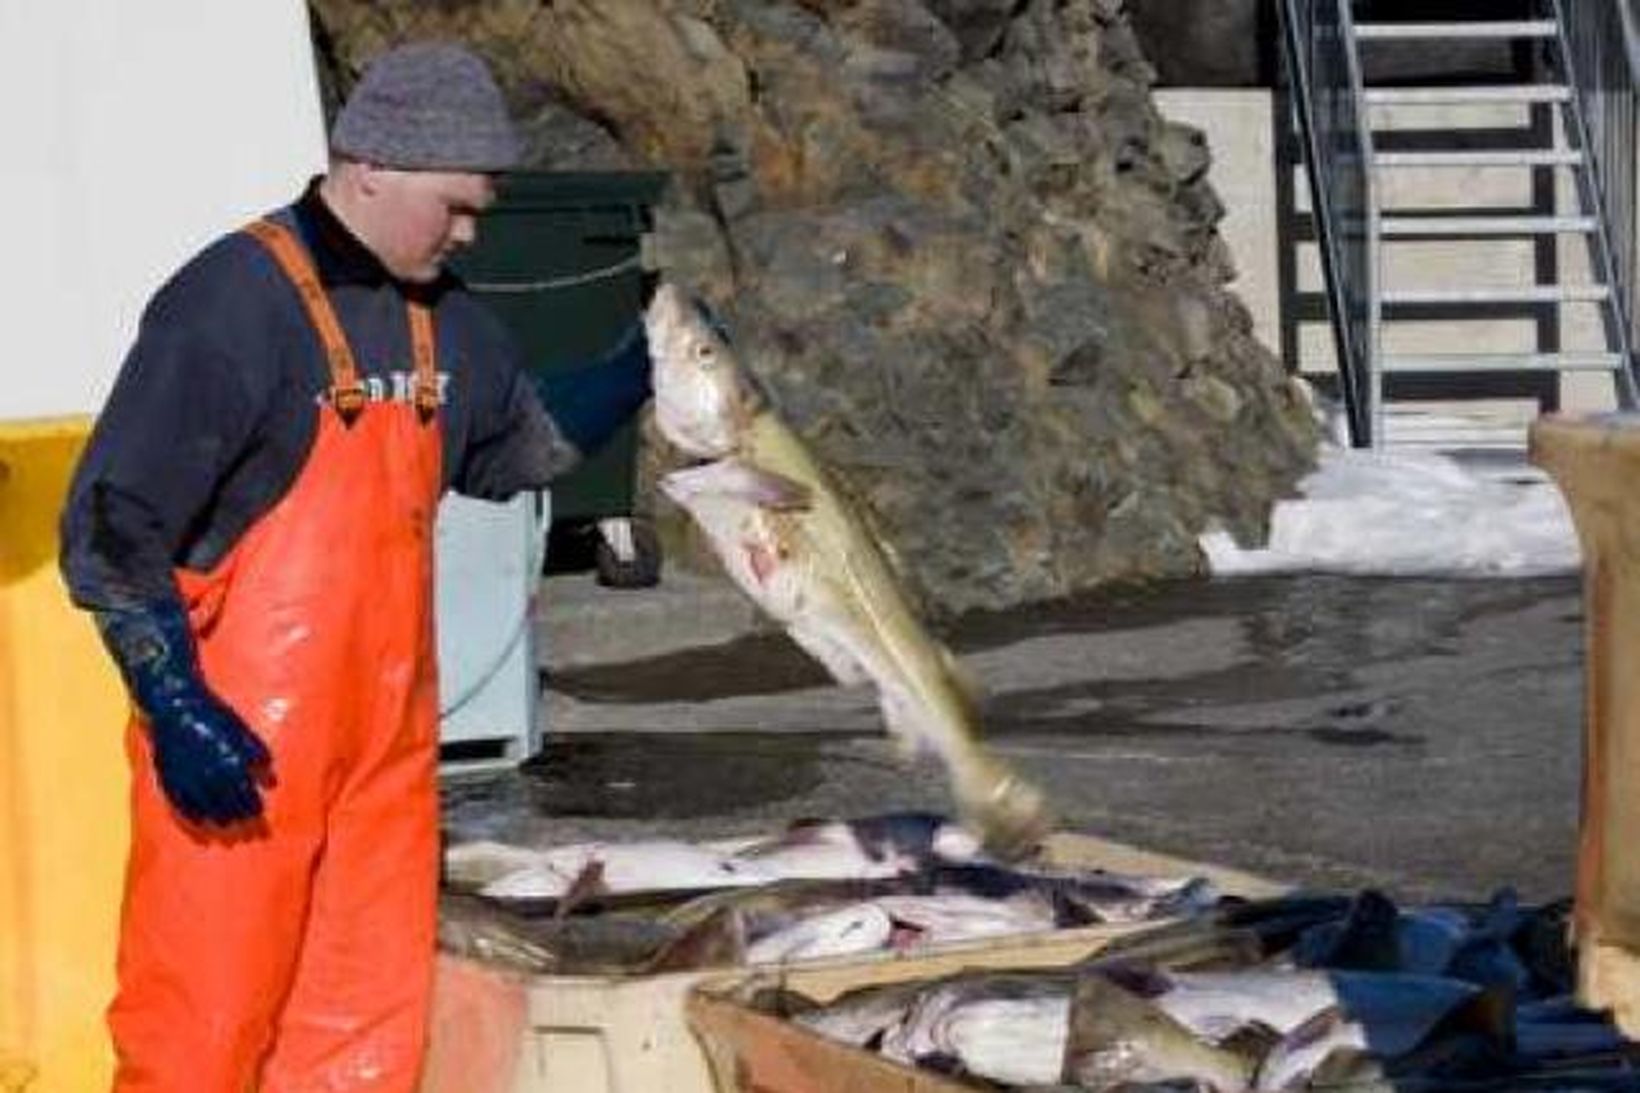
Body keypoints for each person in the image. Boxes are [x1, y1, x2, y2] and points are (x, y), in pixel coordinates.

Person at [58, 41, 653, 1092]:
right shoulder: (228, 304)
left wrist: (638, 370)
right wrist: (172, 695)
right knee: (199, 1039)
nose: (469, 230)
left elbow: (517, 450)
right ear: (370, 163)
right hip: (238, 765)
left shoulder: (446, 318)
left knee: (362, 1047)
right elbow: (110, 526)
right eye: (455, 205)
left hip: (381, 772)